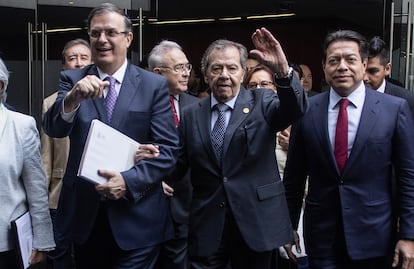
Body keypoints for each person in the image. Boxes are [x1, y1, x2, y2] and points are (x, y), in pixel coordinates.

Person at [42, 3, 180, 269]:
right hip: (86, 216)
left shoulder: (153, 85)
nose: (102, 40)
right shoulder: (72, 80)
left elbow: (168, 151)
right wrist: (73, 99)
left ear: (128, 38)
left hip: (137, 216)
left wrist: (128, 181)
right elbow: (54, 129)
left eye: (110, 33)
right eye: (95, 33)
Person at [173, 27, 307, 269]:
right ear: (205, 74)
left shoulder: (262, 102)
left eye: (232, 68)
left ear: (243, 72)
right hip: (208, 226)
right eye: (216, 68)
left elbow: (295, 109)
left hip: (256, 224)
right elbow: (177, 165)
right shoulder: (191, 114)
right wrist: (150, 165)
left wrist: (282, 71)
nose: (224, 74)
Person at [283, 29, 414, 269]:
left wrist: (409, 235)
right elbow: (294, 175)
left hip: (375, 235)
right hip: (322, 235)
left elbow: (408, 177)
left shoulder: (394, 109)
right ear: (324, 66)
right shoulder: (307, 110)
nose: (342, 66)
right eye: (334, 60)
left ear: (364, 65)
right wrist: (287, 226)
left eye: (350, 59)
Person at [147, 40, 199, 269]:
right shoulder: (138, 105)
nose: (186, 73)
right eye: (179, 68)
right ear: (158, 73)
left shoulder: (198, 107)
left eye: (187, 67)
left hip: (188, 206)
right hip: (146, 205)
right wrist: (151, 182)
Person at [40, 38, 92, 269]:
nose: (78, 63)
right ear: (63, 66)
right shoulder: (51, 103)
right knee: (59, 252)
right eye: (72, 58)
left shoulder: (106, 98)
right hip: (59, 191)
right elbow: (46, 154)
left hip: (92, 189)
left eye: (84, 58)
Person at [0, 57, 55, 268]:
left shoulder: (21, 126)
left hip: (5, 244)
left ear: (1, 85)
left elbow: (36, 188)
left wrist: (42, 241)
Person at [363, 36, 414, 118]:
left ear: (387, 69)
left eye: (372, 71)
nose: (364, 77)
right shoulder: (346, 96)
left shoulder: (407, 101)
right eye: (361, 70)